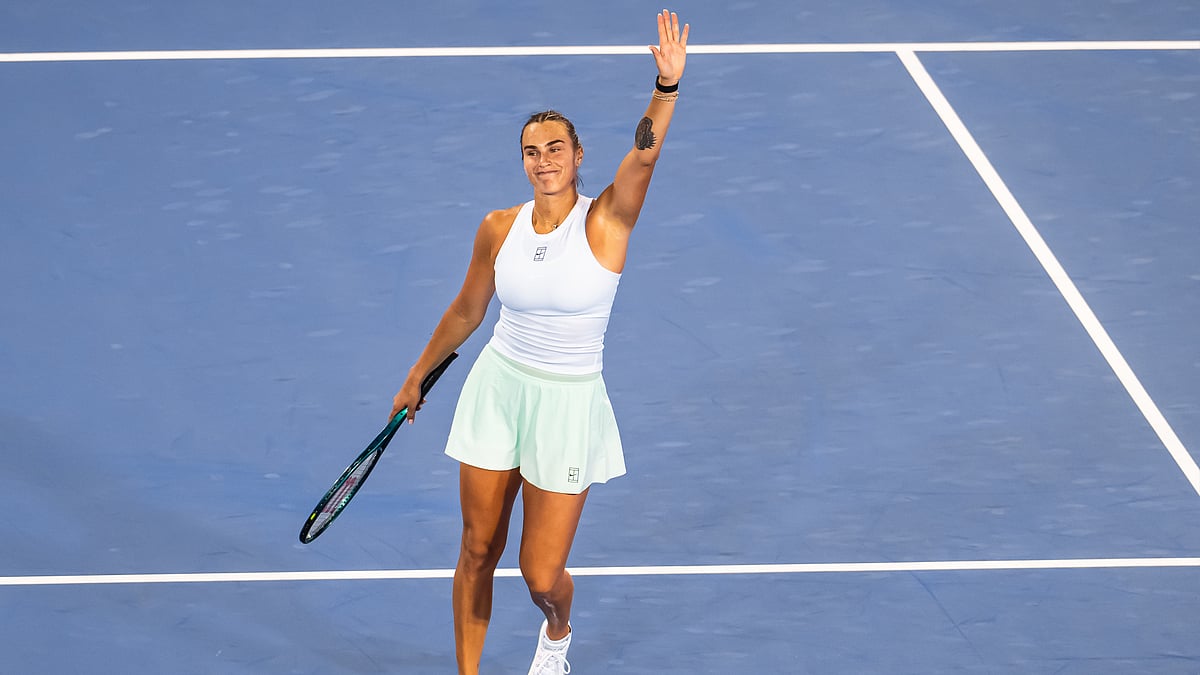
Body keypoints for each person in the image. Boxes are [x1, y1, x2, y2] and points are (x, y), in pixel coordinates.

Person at [390, 10, 689, 674]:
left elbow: (644, 152)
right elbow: (470, 308)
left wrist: (664, 88)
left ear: (578, 157)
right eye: (533, 150)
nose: (544, 159)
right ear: (522, 161)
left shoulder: (608, 221)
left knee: (540, 573)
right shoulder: (498, 227)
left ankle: (557, 631)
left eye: (557, 147)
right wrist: (419, 371)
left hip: (567, 405)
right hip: (499, 388)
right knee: (475, 548)